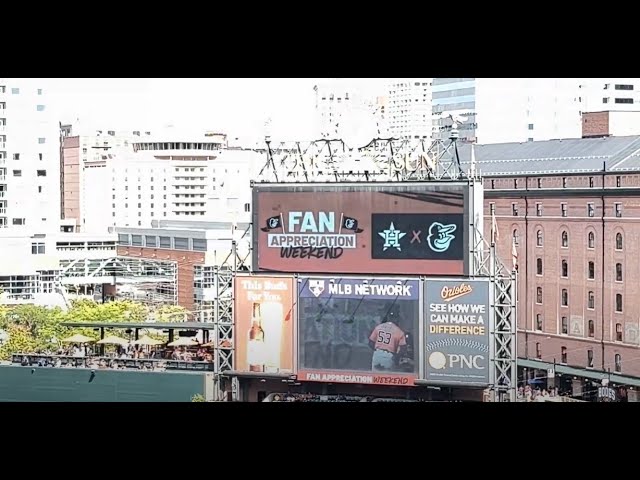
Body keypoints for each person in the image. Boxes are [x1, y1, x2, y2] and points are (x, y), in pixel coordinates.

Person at [368, 306, 407, 372]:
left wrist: (377, 350)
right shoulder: (399, 331)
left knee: (375, 376)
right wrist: (396, 357)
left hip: (377, 354)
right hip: (389, 355)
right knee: (386, 377)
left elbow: (370, 343)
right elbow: (403, 348)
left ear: (388, 317)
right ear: (397, 319)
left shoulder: (379, 327)